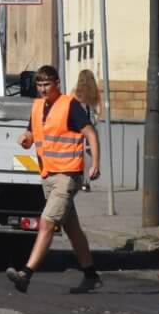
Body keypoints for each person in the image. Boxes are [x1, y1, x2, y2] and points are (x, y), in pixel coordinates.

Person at [6, 66, 102, 295]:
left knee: (47, 223)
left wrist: (96, 163)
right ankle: (91, 275)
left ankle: (26, 274)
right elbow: (33, 132)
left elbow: (90, 133)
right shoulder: (37, 106)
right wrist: (26, 138)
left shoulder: (69, 105)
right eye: (39, 85)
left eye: (47, 85)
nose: (42, 90)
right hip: (48, 175)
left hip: (67, 176)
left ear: (57, 83)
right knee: (73, 229)